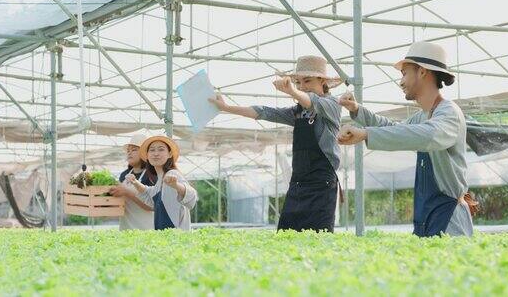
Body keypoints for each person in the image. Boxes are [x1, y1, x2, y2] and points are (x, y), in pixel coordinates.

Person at [337, 41, 474, 237]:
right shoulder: (424, 116)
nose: (401, 82)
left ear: (422, 71)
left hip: (449, 217)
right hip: (427, 215)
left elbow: (428, 135)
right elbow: (396, 130)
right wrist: (357, 110)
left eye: (404, 73)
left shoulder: (449, 113)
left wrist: (366, 134)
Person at [209, 55, 344, 232]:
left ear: (322, 81)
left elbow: (313, 102)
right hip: (298, 183)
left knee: (318, 237)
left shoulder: (332, 105)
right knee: (286, 234)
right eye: (298, 83)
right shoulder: (298, 112)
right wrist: (226, 108)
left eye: (307, 81)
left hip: (322, 184)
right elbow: (265, 112)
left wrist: (293, 92)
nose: (302, 86)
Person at [126, 136, 198, 231]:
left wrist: (176, 185)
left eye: (161, 149)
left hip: (177, 238)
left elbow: (192, 196)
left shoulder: (172, 174)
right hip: (166, 238)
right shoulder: (160, 179)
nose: (156, 154)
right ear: (147, 155)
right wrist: (135, 182)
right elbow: (150, 195)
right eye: (152, 150)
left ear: (170, 154)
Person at [109, 134, 155, 230]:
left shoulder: (152, 175)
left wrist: (126, 192)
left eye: (134, 150)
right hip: (126, 229)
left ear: (144, 153)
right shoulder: (124, 175)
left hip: (146, 230)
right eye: (128, 151)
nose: (129, 153)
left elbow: (152, 206)